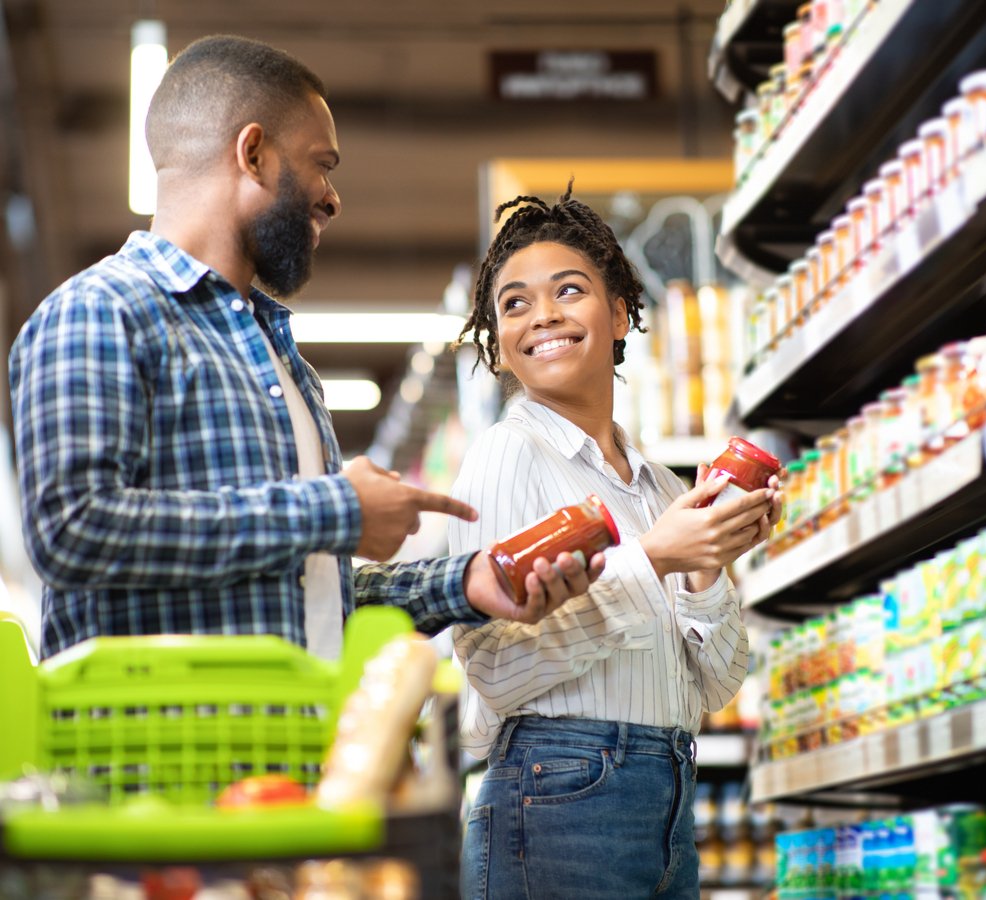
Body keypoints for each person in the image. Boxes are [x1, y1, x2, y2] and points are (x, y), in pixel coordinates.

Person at [7, 35, 602, 662]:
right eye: (323, 164)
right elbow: (72, 530)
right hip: (158, 753)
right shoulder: (100, 311)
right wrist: (335, 507)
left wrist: (466, 583)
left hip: (292, 747)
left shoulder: (282, 361)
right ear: (254, 153)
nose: (332, 197)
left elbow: (314, 592)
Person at [449, 183, 781, 899]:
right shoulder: (508, 456)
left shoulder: (662, 488)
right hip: (557, 797)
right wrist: (656, 558)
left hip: (666, 797)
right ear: (500, 346)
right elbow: (493, 667)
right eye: (514, 303)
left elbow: (718, 686)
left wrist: (706, 565)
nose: (543, 315)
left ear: (621, 313)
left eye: (568, 290)